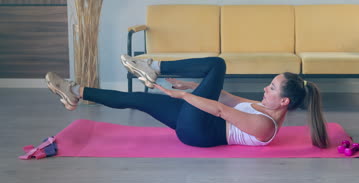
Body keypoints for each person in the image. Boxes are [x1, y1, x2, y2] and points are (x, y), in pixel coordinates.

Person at [46, 56, 328, 148]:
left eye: (272, 87)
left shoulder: (265, 126)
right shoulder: (263, 108)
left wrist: (184, 96)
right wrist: (192, 87)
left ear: (284, 101)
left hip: (200, 132)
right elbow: (227, 97)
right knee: (138, 99)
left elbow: (219, 109)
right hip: (197, 121)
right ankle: (78, 92)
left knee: (217, 65)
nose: (265, 88)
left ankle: (155, 66)